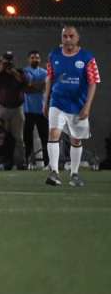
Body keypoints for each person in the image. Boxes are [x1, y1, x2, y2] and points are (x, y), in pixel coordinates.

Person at [43, 26, 101, 187]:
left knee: (76, 140)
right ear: (61, 38)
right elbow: (49, 78)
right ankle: (54, 172)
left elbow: (93, 83)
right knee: (53, 133)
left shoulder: (87, 57)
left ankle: (74, 174)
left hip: (78, 105)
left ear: (77, 38)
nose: (68, 39)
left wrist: (87, 106)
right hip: (57, 102)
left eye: (71, 36)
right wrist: (45, 102)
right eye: (65, 36)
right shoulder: (53, 55)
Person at [0, 50, 27, 166]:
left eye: (10, 60)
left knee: (18, 137)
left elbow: (25, 83)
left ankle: (21, 162)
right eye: (6, 60)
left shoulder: (19, 72)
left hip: (17, 108)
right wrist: (0, 69)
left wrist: (13, 72)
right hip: (2, 108)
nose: (8, 63)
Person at [23, 50, 49, 168]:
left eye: (37, 58)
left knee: (45, 138)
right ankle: (28, 162)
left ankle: (48, 163)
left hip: (42, 110)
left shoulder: (45, 72)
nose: (35, 60)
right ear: (29, 59)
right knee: (27, 138)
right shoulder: (25, 71)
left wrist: (35, 85)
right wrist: (41, 85)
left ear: (40, 59)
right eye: (33, 57)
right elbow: (28, 87)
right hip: (28, 111)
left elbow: (44, 87)